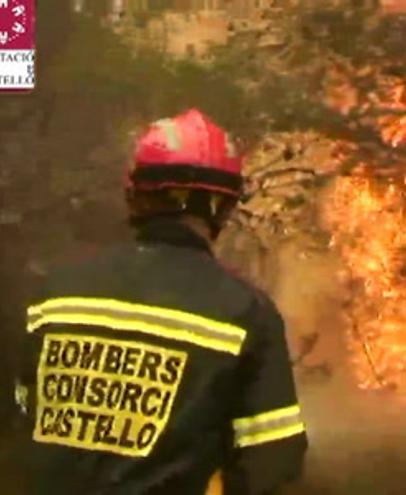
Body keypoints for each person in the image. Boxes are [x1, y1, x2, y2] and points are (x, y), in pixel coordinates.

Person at [14, 109, 308, 494]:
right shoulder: (244, 312)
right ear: (224, 206)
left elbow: (25, 414)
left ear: (135, 198)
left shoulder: (54, 292)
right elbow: (275, 456)